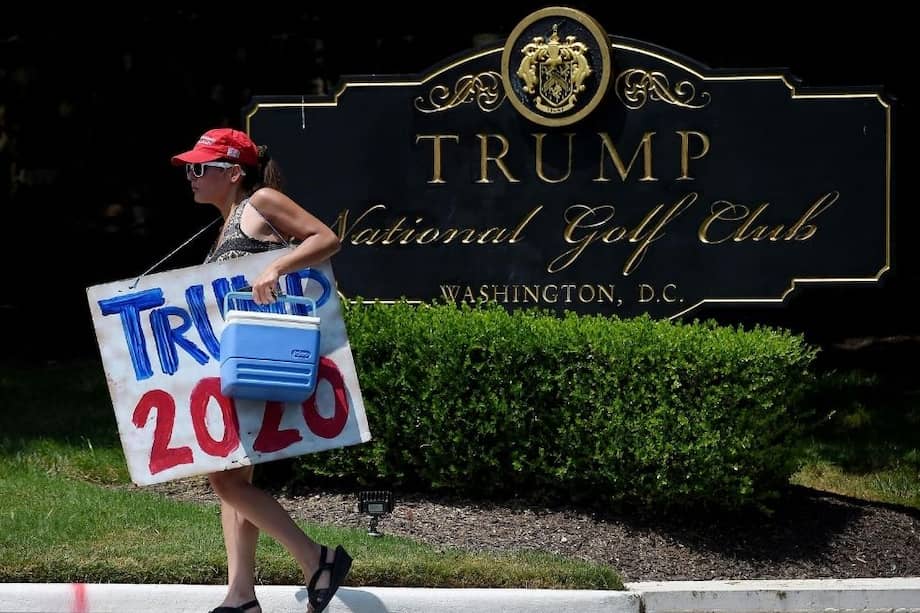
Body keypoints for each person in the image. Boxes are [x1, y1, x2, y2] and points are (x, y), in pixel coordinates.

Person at [171, 127, 350, 613]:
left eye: (200, 167)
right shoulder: (226, 223)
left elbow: (327, 238)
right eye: (189, 168)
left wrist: (276, 269)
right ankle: (241, 596)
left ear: (233, 172)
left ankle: (316, 559)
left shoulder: (262, 202)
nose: (191, 176)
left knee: (227, 482)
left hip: (262, 361)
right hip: (242, 365)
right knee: (233, 481)